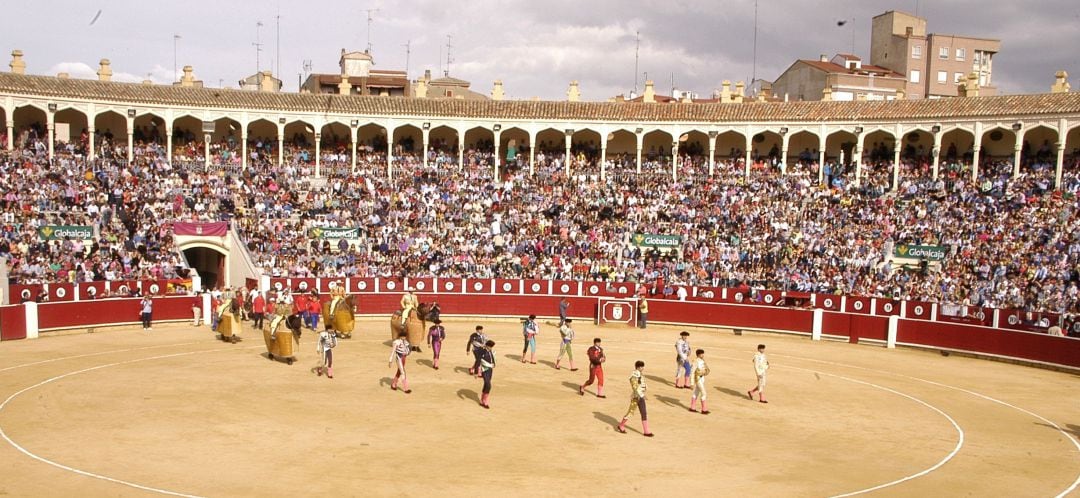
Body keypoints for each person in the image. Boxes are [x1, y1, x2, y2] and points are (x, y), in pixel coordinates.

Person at [617, 360, 653, 437]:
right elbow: (635, 387)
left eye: (643, 366)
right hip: (636, 397)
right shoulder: (634, 375)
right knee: (630, 412)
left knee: (644, 412)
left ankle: (646, 431)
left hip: (640, 396)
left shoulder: (640, 374)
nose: (642, 368)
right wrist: (642, 395)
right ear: (638, 367)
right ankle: (621, 425)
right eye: (641, 367)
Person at [688, 349, 710, 414]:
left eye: (703, 353)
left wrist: (705, 372)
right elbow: (692, 372)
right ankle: (704, 409)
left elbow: (705, 370)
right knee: (704, 393)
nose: (703, 355)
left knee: (696, 393)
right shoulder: (695, 361)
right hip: (698, 379)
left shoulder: (702, 361)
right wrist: (691, 383)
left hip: (702, 378)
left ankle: (692, 407)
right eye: (701, 354)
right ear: (698, 354)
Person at [478, 339, 496, 409]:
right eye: (490, 346)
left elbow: (492, 359)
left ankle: (482, 401)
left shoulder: (490, 351)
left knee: (486, 384)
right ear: (487, 346)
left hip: (490, 370)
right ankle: (485, 401)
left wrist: (494, 364)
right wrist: (490, 365)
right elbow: (481, 361)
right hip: (485, 370)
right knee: (488, 385)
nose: (491, 348)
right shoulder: (483, 351)